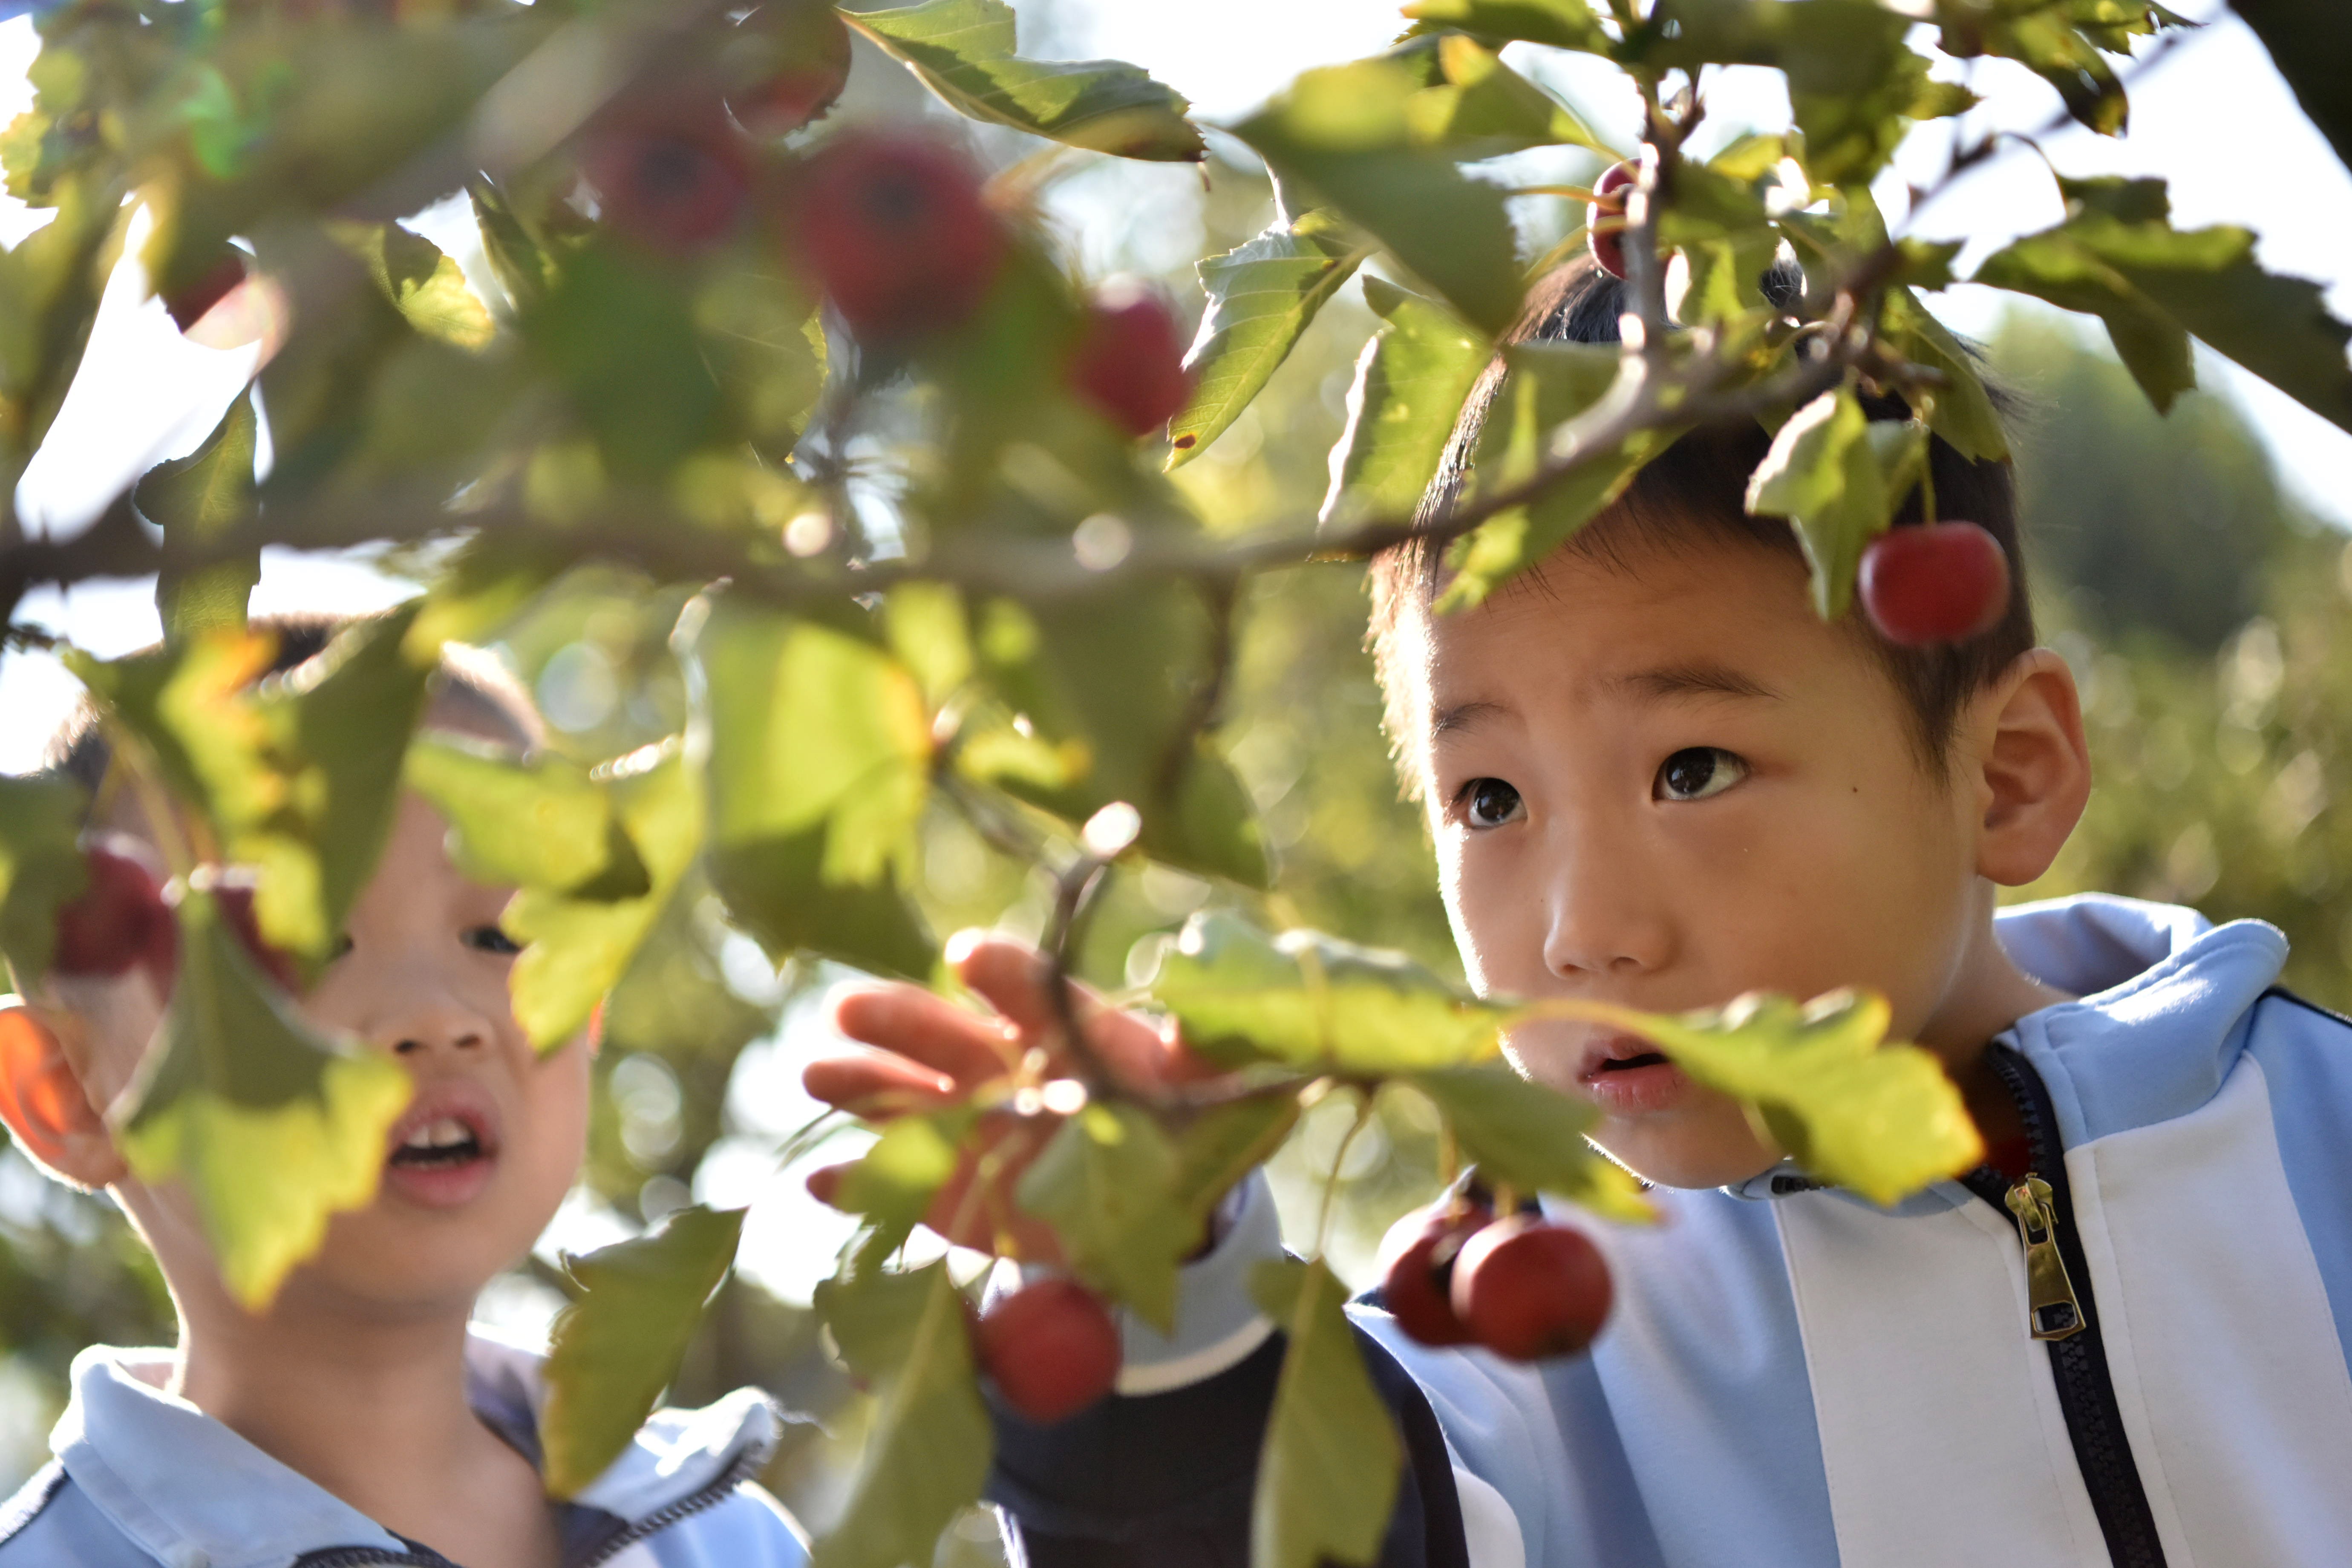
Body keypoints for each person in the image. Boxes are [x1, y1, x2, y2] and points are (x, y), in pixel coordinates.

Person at [805, 258, 2352, 1568]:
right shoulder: (1519, 1352)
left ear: (2007, 778)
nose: (1584, 932)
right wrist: (1155, 1310)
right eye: (1489, 802)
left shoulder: (2321, 1144)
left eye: (1692, 768)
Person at [0, 615, 808, 1568]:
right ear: (70, 1094)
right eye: (300, 943)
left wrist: (1040, 1488)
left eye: (502, 938)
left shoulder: (724, 1536)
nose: (436, 1016)